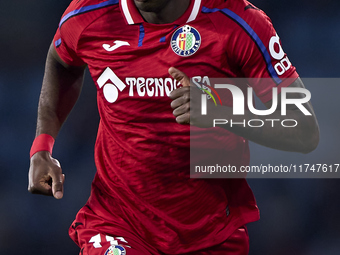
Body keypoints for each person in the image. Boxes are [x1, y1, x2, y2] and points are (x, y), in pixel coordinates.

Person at [28, 0, 319, 254]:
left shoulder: (239, 23)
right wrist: (42, 146)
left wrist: (218, 112)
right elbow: (62, 61)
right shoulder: (90, 14)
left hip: (211, 232)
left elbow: (305, 130)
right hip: (119, 220)